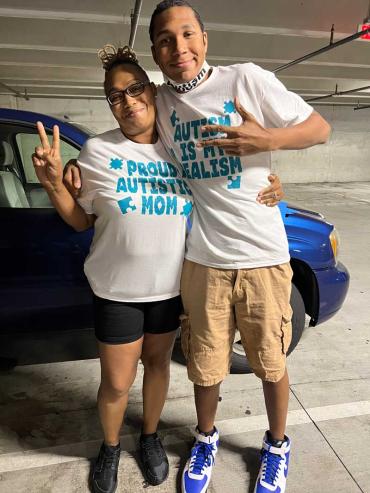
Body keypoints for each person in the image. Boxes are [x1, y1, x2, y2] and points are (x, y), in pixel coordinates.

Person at [34, 45, 284, 493]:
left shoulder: (179, 149)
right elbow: (79, 219)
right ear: (109, 104)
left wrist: (271, 182)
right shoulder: (96, 151)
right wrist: (56, 182)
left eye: (134, 89)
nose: (128, 102)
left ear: (151, 91)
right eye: (115, 96)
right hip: (117, 290)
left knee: (158, 367)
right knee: (115, 381)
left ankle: (149, 438)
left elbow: (226, 178)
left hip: (170, 289)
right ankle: (109, 447)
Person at [147, 2, 331, 493]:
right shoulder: (161, 103)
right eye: (166, 39)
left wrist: (266, 140)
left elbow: (319, 128)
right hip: (203, 259)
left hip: (263, 259)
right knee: (205, 363)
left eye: (188, 35)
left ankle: (276, 446)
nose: (178, 47)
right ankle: (205, 438)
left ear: (205, 40)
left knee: (271, 361)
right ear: (156, 52)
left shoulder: (244, 79)